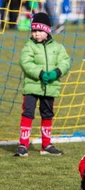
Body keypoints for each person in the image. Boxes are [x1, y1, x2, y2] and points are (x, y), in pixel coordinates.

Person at [14, 13, 71, 157]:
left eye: (39, 30)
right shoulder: (29, 45)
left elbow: (65, 62)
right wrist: (40, 73)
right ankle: (23, 145)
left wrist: (56, 73)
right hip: (32, 86)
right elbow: (25, 62)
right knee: (28, 113)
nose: (36, 34)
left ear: (48, 30)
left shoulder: (58, 48)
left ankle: (46, 145)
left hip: (50, 88)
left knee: (47, 114)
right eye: (34, 31)